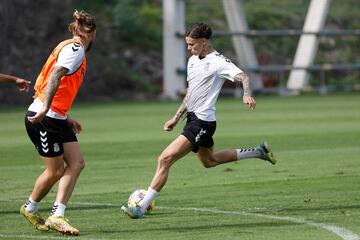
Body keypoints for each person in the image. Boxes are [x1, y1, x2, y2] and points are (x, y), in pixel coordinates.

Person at [121, 22, 276, 219]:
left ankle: (140, 208)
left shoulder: (219, 62)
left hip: (202, 123)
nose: (188, 48)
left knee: (165, 159)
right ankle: (258, 151)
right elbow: (191, 93)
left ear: (204, 41)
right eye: (187, 44)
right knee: (209, 161)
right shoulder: (193, 60)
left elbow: (244, 77)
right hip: (192, 119)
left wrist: (246, 94)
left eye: (192, 44)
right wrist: (176, 118)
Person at [19, 10, 96, 235]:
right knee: (55, 171)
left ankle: (57, 215)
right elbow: (56, 75)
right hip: (44, 118)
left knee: (77, 163)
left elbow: (57, 83)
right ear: (92, 34)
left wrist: (64, 115)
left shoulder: (68, 46)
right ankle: (30, 207)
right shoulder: (75, 49)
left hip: (56, 116)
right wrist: (46, 107)